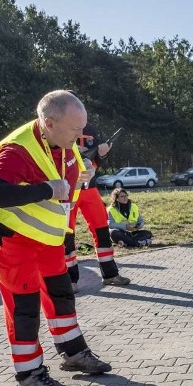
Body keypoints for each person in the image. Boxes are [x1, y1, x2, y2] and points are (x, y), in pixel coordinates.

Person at [0, 90, 112, 386]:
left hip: (49, 239)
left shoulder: (64, 142)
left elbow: (71, 174)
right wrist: (45, 190)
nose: (81, 137)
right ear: (49, 124)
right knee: (24, 307)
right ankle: (29, 375)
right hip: (15, 241)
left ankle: (73, 352)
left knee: (61, 295)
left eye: (82, 129)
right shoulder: (17, 150)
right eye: (75, 130)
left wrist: (85, 174)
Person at [63, 123, 131, 292]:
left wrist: (102, 155)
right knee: (67, 234)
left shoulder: (90, 130)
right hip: (68, 189)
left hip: (90, 188)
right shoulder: (56, 129)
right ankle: (69, 280)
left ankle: (110, 275)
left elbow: (96, 161)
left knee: (101, 229)